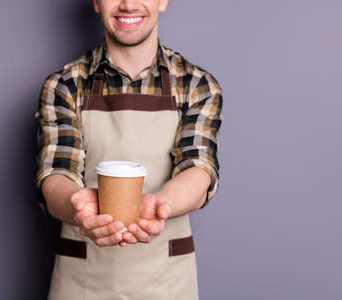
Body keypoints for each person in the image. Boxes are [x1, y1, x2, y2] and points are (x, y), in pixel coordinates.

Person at [35, 0, 223, 299]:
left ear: (163, 1)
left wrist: (158, 207)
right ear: (97, 2)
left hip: (167, 282)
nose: (129, 4)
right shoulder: (64, 85)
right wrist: (78, 206)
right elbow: (56, 173)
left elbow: (198, 171)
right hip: (82, 281)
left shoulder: (197, 85)